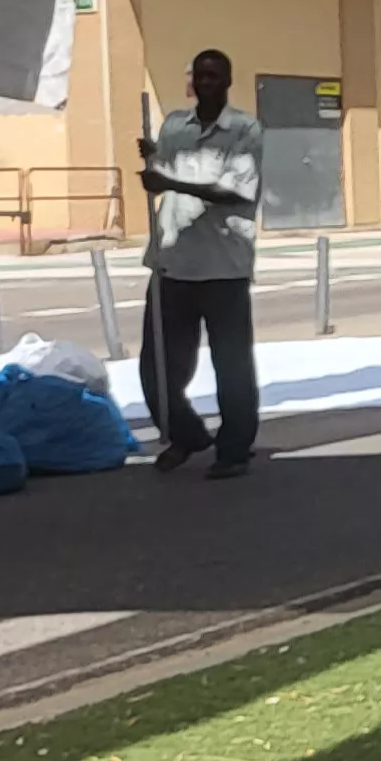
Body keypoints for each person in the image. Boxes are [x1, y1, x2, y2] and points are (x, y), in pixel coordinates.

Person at [139, 49, 263, 478]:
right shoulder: (174, 125)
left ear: (227, 81)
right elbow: (166, 166)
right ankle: (186, 433)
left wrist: (168, 180)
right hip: (172, 261)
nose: (206, 83)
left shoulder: (245, 129)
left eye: (214, 76)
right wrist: (154, 158)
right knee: (156, 366)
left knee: (231, 365)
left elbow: (235, 191)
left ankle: (234, 450)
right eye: (200, 76)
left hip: (223, 266)